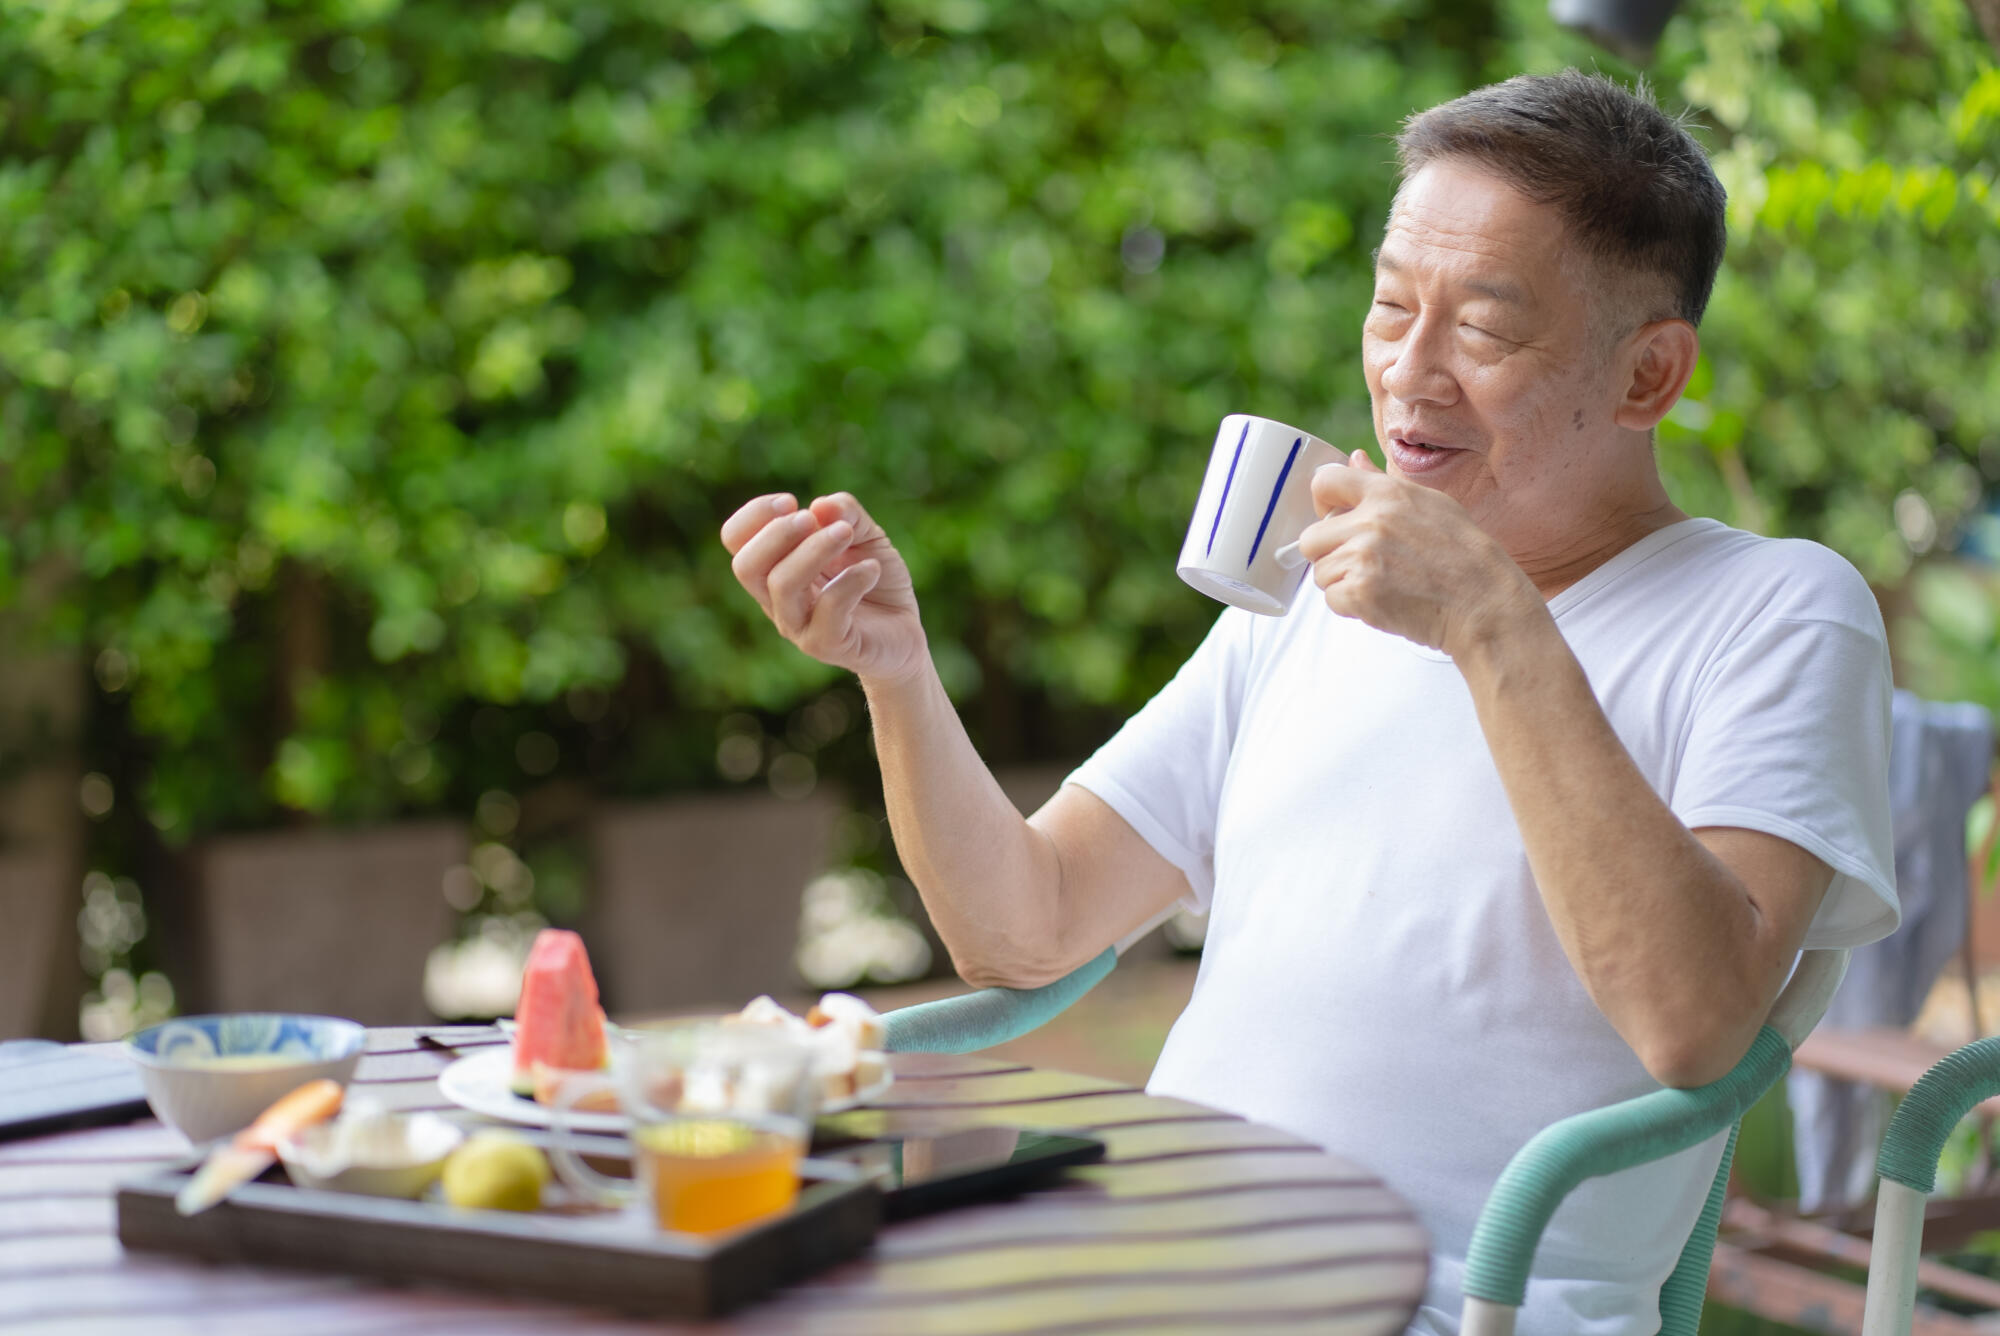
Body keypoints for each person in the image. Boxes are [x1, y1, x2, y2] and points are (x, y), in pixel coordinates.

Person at [720, 70, 1896, 1335]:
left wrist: (1490, 621)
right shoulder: (1307, 589)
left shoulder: (1775, 610)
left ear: (1646, 376)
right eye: (1390, 305)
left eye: (1484, 330)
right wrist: (894, 673)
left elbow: (1695, 1026)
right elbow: (1028, 924)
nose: (1407, 372)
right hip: (1156, 1261)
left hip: (1451, 1303)